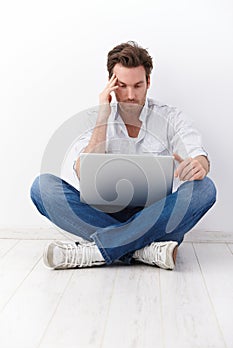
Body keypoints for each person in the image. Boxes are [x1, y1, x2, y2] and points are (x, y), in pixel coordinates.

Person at [30, 41, 216, 271]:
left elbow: (197, 154)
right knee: (42, 188)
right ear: (110, 85)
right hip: (105, 215)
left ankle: (98, 250)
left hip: (157, 216)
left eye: (138, 85)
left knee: (205, 188)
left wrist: (199, 165)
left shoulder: (170, 117)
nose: (130, 95)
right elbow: (82, 170)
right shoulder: (97, 118)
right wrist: (103, 117)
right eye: (122, 86)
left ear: (148, 83)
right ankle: (144, 250)